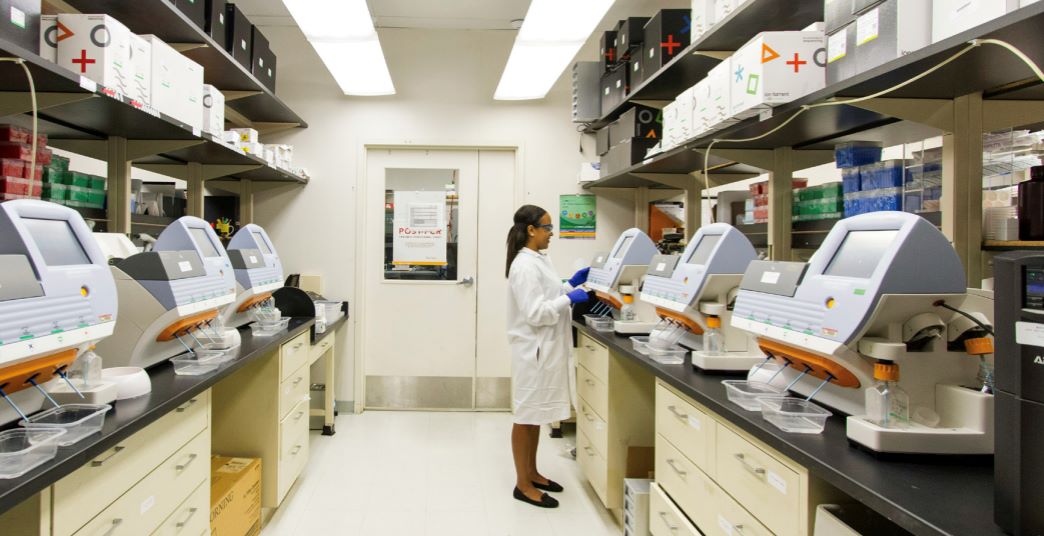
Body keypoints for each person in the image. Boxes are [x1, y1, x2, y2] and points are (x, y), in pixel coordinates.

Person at [505, 204, 591, 508]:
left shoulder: (539, 260)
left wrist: (569, 285)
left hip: (543, 350)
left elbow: (546, 296)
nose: (551, 233)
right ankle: (522, 484)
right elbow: (536, 312)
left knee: (536, 416)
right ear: (531, 230)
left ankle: (533, 472)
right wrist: (569, 298)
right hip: (533, 352)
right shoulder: (524, 265)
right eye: (548, 228)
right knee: (526, 416)